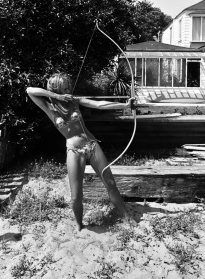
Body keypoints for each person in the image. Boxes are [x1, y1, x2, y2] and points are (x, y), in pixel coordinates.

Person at [26, 72, 135, 231]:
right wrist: (55, 96)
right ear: (55, 89)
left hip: (91, 145)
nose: (68, 90)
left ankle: (126, 217)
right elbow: (29, 90)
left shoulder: (75, 101)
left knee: (110, 183)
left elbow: (99, 105)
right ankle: (79, 225)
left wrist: (125, 105)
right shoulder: (49, 107)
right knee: (76, 195)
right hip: (73, 150)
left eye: (68, 87)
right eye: (63, 88)